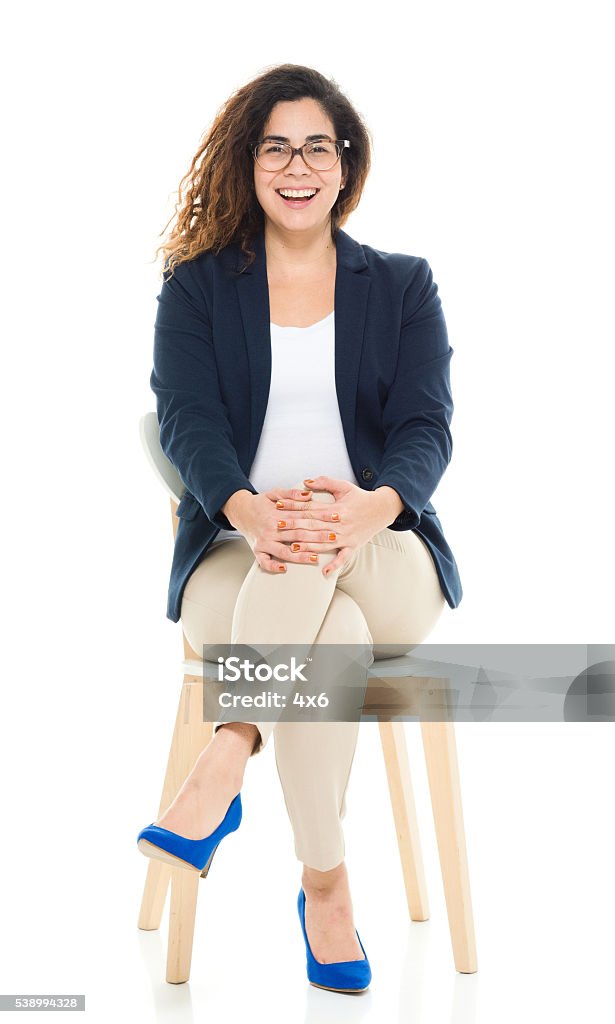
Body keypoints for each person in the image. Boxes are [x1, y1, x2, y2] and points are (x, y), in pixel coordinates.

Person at [137, 63, 463, 994]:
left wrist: (370, 506)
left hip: (383, 552)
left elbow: (424, 424)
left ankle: (227, 748)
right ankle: (326, 888)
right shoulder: (197, 289)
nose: (296, 164)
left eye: (317, 145)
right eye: (275, 145)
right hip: (236, 558)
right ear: (247, 163)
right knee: (330, 637)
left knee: (321, 556)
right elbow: (187, 417)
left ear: (345, 163)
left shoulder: (401, 285)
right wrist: (245, 508)